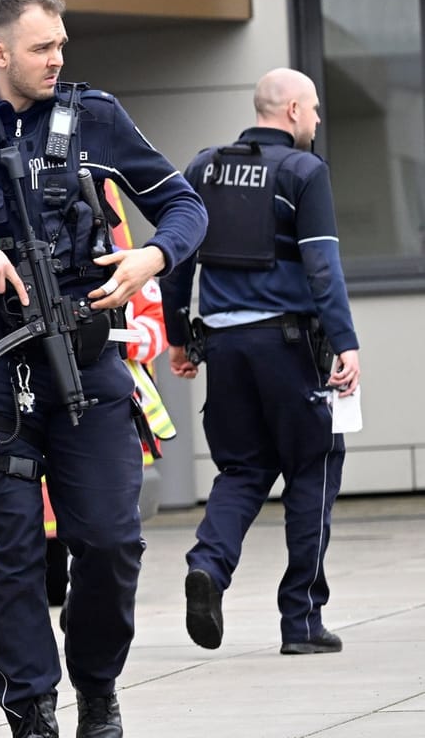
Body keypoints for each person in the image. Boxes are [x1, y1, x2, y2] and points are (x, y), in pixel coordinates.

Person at [0, 0, 207, 738]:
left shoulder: (95, 117)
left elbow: (186, 205)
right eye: (42, 47)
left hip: (91, 361)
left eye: (61, 45)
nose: (58, 58)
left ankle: (97, 684)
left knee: (110, 540)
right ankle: (31, 710)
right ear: (0, 53)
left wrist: (150, 258)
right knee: (16, 551)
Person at [160, 67, 361, 656]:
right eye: (316, 109)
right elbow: (322, 267)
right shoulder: (303, 171)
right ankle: (301, 623)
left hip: (223, 349)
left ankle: (208, 567)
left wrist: (179, 337)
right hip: (289, 347)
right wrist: (345, 342)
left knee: (243, 470)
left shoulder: (203, 168)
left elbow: (176, 259)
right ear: (294, 111)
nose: (318, 120)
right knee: (313, 466)